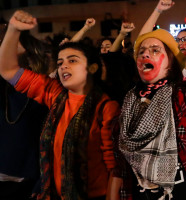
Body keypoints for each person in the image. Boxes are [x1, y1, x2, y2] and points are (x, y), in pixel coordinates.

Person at [0, 10, 121, 199]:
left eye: (72, 61)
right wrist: (14, 29)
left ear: (92, 67)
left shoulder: (106, 107)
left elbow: (115, 168)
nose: (64, 66)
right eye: (60, 62)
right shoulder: (54, 95)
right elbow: (7, 70)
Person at [114, 11, 186, 200]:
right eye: (142, 51)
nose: (145, 54)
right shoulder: (130, 99)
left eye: (155, 50)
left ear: (171, 62)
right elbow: (120, 162)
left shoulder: (183, 93)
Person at [0, 30, 49, 200]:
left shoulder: (44, 90)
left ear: (29, 55)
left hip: (27, 179)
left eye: (13, 45)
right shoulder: (4, 87)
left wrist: (42, 180)